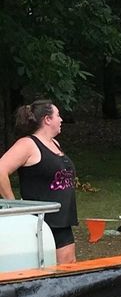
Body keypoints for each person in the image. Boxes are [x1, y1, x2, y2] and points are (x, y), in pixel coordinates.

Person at [0, 100, 78, 264]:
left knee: (69, 268)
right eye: (57, 115)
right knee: (47, 272)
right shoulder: (28, 144)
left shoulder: (54, 143)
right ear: (47, 119)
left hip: (63, 219)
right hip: (41, 224)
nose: (61, 119)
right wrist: (13, 204)